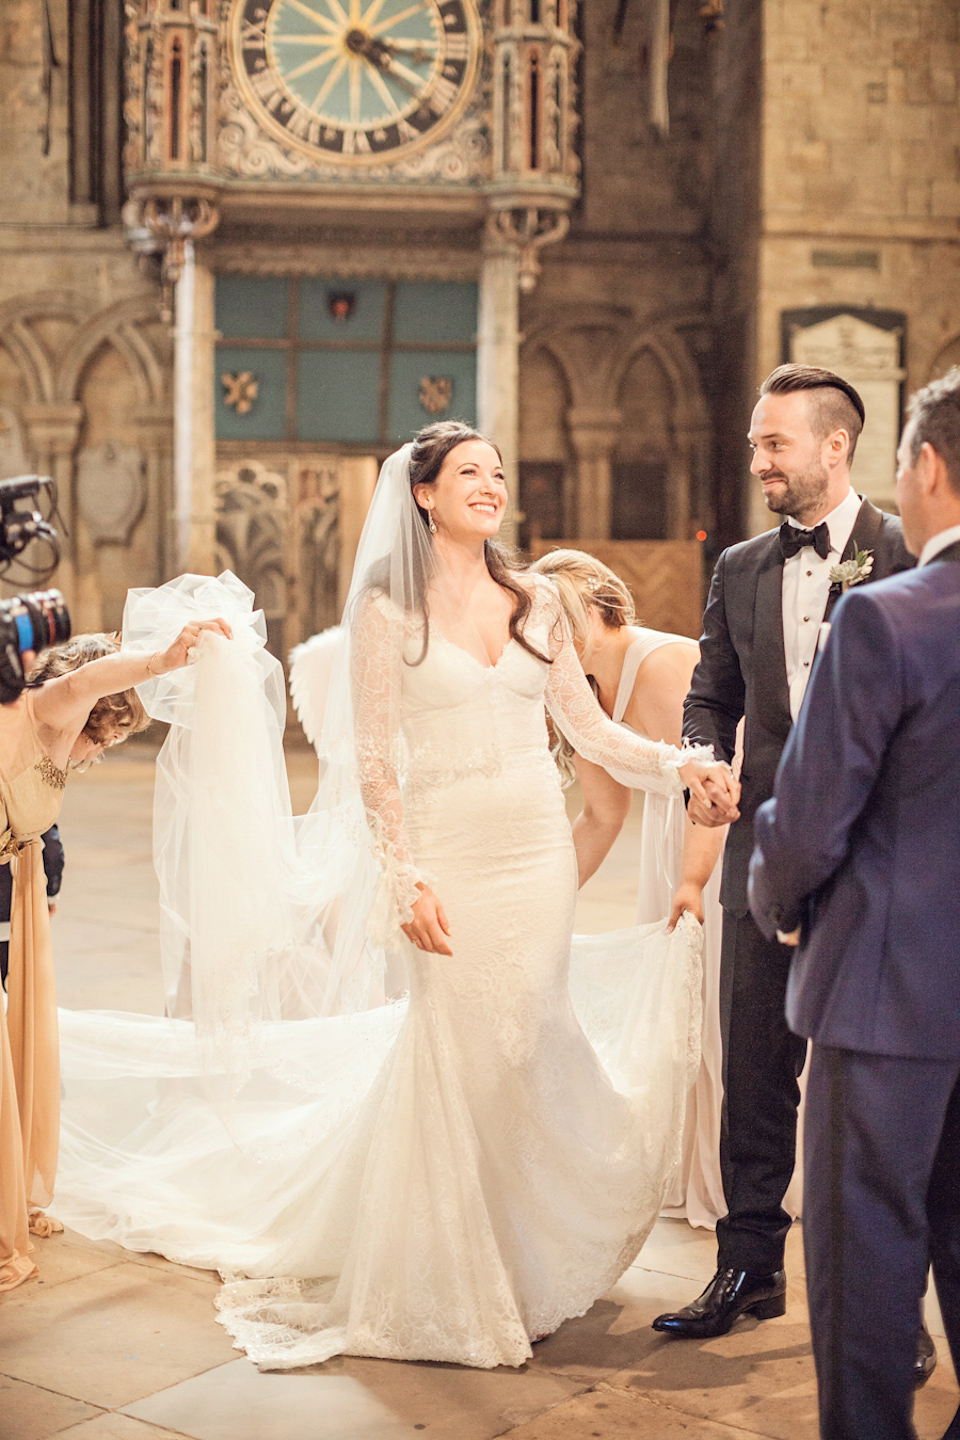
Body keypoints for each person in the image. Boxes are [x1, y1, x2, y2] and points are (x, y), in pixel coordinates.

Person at [52, 422, 738, 1370]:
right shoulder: (386, 611)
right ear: (424, 494)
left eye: (499, 472)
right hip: (447, 858)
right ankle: (455, 1271)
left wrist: (685, 766)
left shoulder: (537, 601)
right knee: (455, 1050)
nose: (492, 486)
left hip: (534, 854)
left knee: (528, 1042)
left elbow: (588, 730)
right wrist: (403, 877)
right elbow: (376, 765)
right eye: (470, 474)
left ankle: (524, 1256)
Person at [653, 363, 917, 1345]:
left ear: (834, 446)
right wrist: (696, 758)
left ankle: (888, 1305)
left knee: (868, 1093)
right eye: (756, 442)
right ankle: (747, 1268)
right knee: (756, 1074)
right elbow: (709, 694)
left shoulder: (907, 555)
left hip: (875, 865)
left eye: (775, 442)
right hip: (761, 849)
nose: (757, 458)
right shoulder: (740, 566)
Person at [747, 367, 960, 1440]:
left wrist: (776, 899)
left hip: (886, 1000)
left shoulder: (892, 619)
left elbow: (810, 814)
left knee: (865, 1265)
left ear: (926, 468)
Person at [0, 620, 229, 1292]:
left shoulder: (49, 747)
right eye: (104, 734)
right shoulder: (45, 712)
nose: (99, 750)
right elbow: (86, 680)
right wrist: (161, 660)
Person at [529, 548, 726, 1228]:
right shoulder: (578, 691)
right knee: (680, 1017)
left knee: (715, 1010)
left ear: (599, 607)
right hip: (667, 847)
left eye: (561, 610)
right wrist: (544, 900)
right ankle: (689, 1164)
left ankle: (735, 1173)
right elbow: (601, 815)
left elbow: (712, 779)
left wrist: (693, 881)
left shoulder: (662, 662)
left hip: (716, 840)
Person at [0, 825, 64, 990]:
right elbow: (53, 852)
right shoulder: (30, 800)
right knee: (19, 991)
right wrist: (50, 896)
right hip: (18, 906)